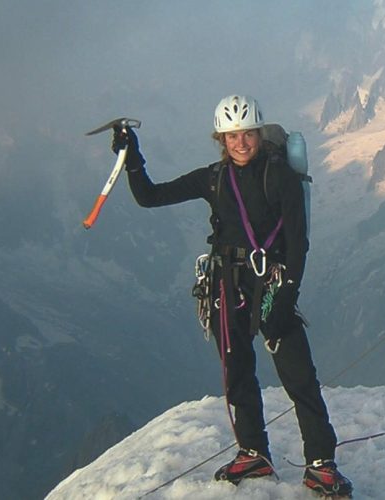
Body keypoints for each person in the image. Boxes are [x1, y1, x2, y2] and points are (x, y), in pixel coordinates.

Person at [116, 95, 351, 497]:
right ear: (220, 139)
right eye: (231, 136)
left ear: (258, 134)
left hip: (272, 283)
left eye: (246, 134)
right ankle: (253, 451)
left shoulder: (280, 176)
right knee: (237, 371)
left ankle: (321, 462)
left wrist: (286, 294)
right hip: (227, 283)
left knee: (299, 375)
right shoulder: (214, 178)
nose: (240, 143)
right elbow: (150, 196)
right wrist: (132, 158)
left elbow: (298, 242)